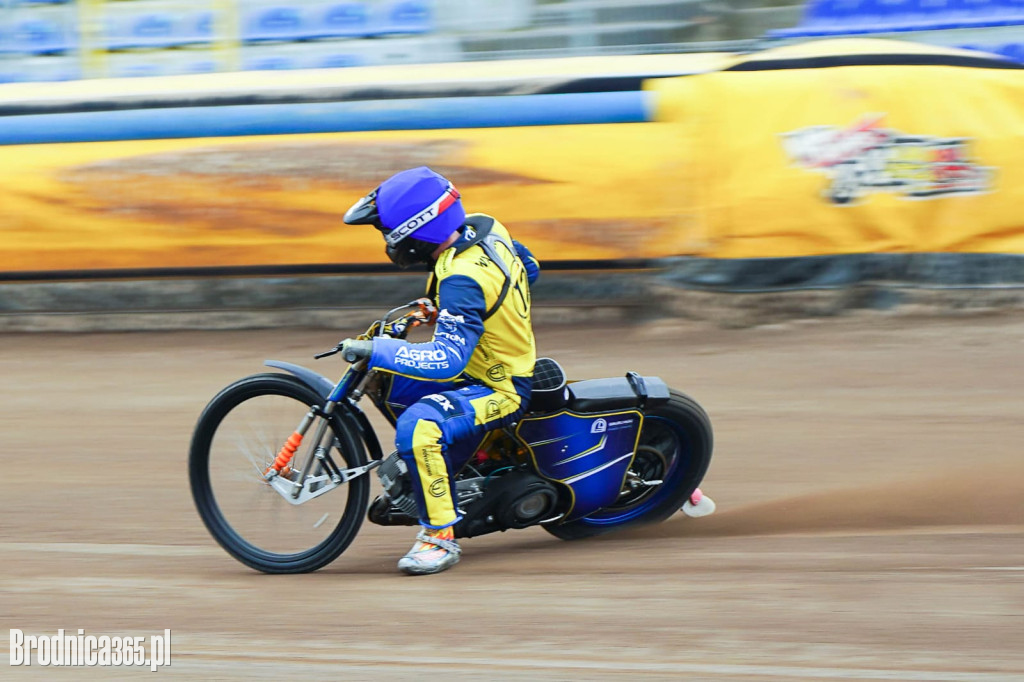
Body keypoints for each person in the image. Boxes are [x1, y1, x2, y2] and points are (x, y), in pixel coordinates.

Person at [340, 166, 539, 576]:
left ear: (416, 233)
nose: (387, 241)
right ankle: (443, 469)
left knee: (418, 426)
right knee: (393, 383)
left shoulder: (462, 278)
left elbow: (446, 360)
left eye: (387, 232)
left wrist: (378, 347)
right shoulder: (485, 227)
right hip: (483, 362)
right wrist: (444, 309)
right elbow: (529, 266)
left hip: (498, 386)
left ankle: (439, 538)